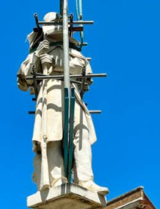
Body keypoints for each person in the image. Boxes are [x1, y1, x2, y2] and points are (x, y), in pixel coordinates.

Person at [17, 12, 108, 195]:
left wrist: (58, 63)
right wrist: (39, 57)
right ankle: (57, 178)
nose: (59, 25)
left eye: (61, 22)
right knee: (53, 136)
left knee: (80, 133)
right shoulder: (38, 50)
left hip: (72, 94)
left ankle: (86, 180)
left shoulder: (74, 52)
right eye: (55, 22)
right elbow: (24, 80)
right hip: (50, 94)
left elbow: (85, 73)